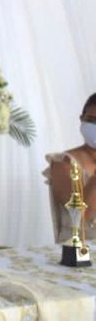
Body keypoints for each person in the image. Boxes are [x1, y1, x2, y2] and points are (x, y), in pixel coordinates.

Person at [43, 92, 96, 243]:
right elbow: (81, 218)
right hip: (78, 251)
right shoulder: (64, 163)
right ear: (81, 119)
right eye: (91, 120)